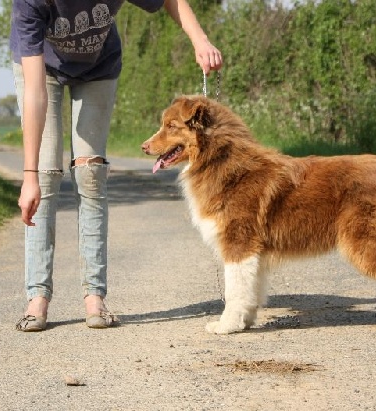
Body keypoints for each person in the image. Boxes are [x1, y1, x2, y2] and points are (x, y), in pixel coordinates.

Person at [11, 0, 222, 331]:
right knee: (45, 176)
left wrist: (200, 39)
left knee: (91, 175)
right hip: (43, 70)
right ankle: (37, 298)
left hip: (98, 67)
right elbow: (35, 93)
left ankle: (94, 297)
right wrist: (28, 177)